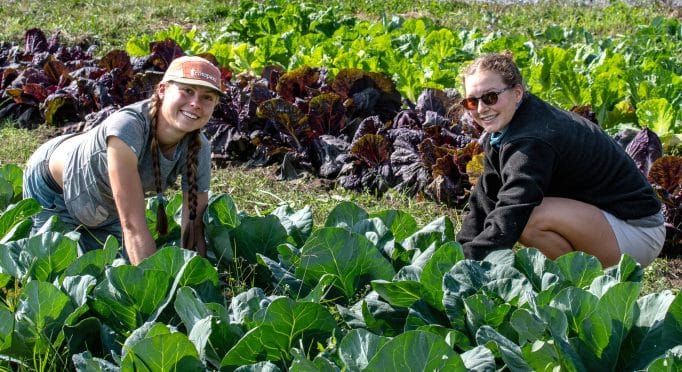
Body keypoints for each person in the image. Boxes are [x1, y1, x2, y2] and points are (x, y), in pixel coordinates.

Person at [455, 52, 665, 268]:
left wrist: (470, 264)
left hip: (638, 232)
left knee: (527, 219)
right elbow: (485, 200)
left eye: (490, 97)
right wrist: (458, 253)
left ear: (517, 93)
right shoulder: (510, 126)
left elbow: (513, 210)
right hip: (603, 220)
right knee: (519, 214)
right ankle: (573, 277)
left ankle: (580, 283)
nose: (481, 109)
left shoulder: (532, 140)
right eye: (471, 102)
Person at [23, 55, 224, 265]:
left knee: (110, 277)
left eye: (207, 97)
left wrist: (193, 284)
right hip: (53, 189)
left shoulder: (198, 147)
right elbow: (133, 225)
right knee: (53, 271)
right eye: (187, 91)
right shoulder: (128, 128)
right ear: (163, 90)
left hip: (104, 208)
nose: (195, 103)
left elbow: (194, 227)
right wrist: (159, 291)